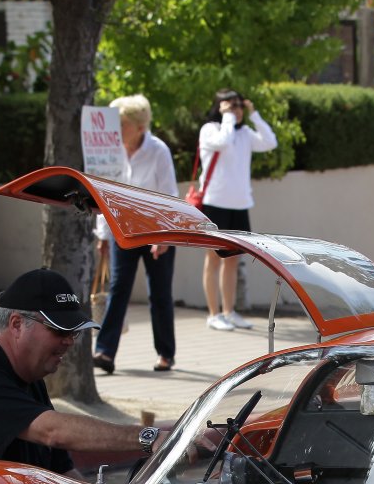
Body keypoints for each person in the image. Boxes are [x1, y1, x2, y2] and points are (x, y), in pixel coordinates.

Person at [0, 269, 158, 472]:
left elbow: (63, 473)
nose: (69, 341)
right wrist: (150, 437)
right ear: (17, 325)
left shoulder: (30, 378)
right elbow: (53, 432)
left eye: (74, 332)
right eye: (60, 330)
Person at [93, 94, 178, 374]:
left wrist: (164, 237)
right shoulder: (111, 151)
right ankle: (104, 352)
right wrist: (103, 234)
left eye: (122, 124)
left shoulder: (158, 150)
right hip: (124, 231)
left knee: (160, 294)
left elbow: (169, 196)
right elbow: (105, 194)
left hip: (155, 231)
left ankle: (165, 354)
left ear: (140, 127)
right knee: (118, 289)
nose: (116, 130)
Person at [196, 89, 276, 331]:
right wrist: (228, 117)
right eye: (231, 106)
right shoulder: (210, 130)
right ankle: (213, 314)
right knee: (213, 258)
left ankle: (229, 311)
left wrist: (255, 115)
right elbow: (223, 142)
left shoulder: (244, 134)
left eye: (239, 106)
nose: (237, 110)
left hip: (240, 204)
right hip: (215, 202)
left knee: (232, 260)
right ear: (219, 107)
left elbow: (270, 142)